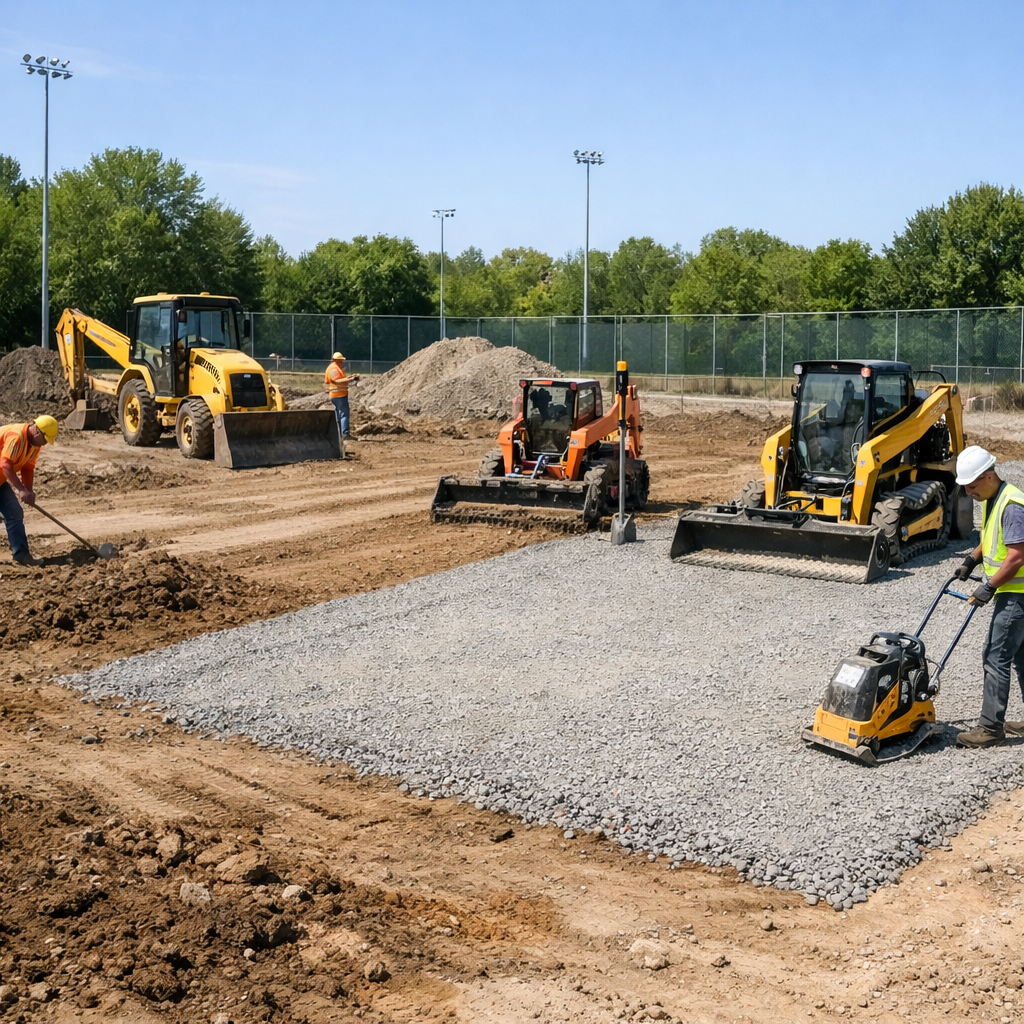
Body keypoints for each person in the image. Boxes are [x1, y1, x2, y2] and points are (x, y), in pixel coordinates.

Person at [953, 444, 1024, 748]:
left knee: (995, 656)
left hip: (1016, 595)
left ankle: (990, 727)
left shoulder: (1012, 505)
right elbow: (992, 540)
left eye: (971, 485)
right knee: (1021, 658)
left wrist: (989, 586)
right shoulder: (995, 498)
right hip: (1013, 592)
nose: (969, 491)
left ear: (988, 476)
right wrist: (971, 559)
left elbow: (1017, 557)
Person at [0, 415, 58, 567]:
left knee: (14, 512)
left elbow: (28, 468)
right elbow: (6, 464)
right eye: (45, 439)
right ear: (38, 432)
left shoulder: (34, 445)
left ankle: (21, 554)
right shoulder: (16, 436)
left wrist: (28, 491)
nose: (45, 444)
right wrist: (20, 490)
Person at [324, 352, 360, 441]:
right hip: (339, 395)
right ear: (337, 360)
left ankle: (339, 434)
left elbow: (331, 381)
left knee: (339, 415)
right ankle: (345, 434)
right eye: (341, 360)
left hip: (335, 395)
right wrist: (351, 379)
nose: (342, 362)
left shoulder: (333, 368)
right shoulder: (334, 369)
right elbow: (337, 381)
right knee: (344, 414)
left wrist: (349, 378)